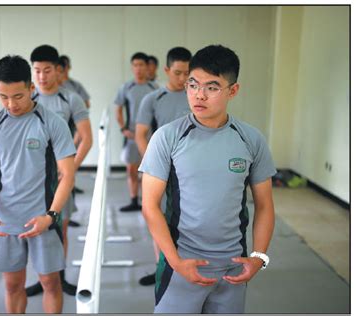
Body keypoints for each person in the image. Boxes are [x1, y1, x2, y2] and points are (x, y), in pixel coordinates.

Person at [139, 44, 276, 313]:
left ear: (232, 91)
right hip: (181, 265)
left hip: (233, 268)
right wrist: (175, 261)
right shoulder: (167, 137)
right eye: (193, 84)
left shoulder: (250, 139)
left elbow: (264, 205)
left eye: (212, 87)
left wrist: (258, 257)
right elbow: (150, 206)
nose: (199, 95)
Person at [0, 55, 76, 313]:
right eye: (3, 96)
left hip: (43, 219)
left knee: (51, 283)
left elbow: (67, 174)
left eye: (18, 96)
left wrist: (51, 216)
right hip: (5, 222)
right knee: (12, 285)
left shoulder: (52, 123)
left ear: (31, 88)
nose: (11, 104)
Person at [25, 44, 93, 297]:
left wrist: (70, 170)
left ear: (59, 70)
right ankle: (42, 278)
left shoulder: (70, 99)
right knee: (34, 227)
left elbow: (86, 138)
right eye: (37, 71)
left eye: (47, 70)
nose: (42, 76)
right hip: (33, 178)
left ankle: (60, 277)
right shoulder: (28, 99)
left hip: (61, 176)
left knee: (59, 228)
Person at [135, 47, 192, 286]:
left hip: (191, 173)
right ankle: (163, 267)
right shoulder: (153, 99)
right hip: (162, 173)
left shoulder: (196, 96)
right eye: (177, 73)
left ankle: (187, 265)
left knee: (188, 220)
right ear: (167, 70)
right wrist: (154, 167)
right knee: (157, 217)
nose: (182, 79)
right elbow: (140, 135)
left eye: (187, 74)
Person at [115, 52, 159, 212]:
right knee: (131, 170)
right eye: (135, 65)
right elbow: (118, 109)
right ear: (132, 67)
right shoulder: (126, 88)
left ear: (148, 67)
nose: (138, 68)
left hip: (150, 137)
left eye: (141, 65)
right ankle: (134, 200)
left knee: (149, 171)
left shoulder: (154, 88)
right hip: (132, 136)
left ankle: (147, 202)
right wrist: (123, 129)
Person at [58, 54, 91, 198]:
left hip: (74, 128)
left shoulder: (75, 86)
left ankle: (70, 188)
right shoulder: (54, 87)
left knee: (71, 161)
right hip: (59, 133)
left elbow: (86, 103)